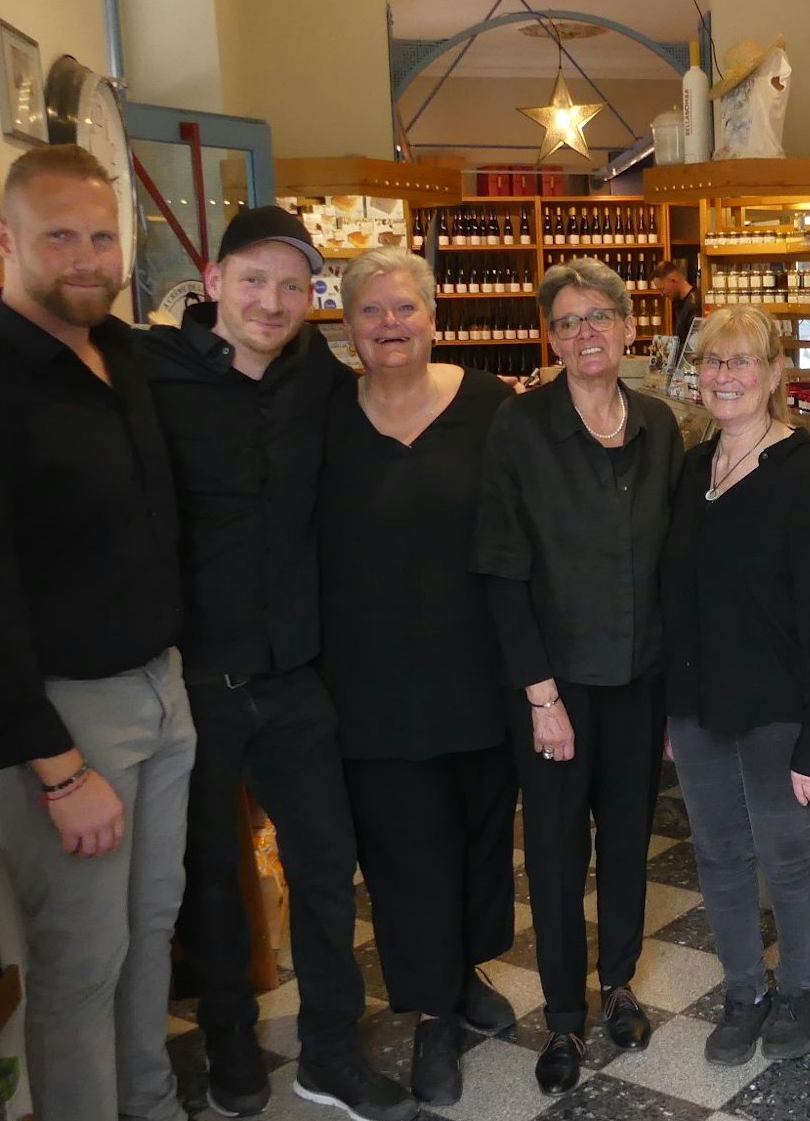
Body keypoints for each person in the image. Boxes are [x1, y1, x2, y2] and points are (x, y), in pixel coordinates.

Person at [0, 144, 195, 1121]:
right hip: (64, 719)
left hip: (159, 686)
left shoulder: (123, 360)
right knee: (80, 964)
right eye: (60, 236)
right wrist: (55, 767)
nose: (87, 257)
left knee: (150, 933)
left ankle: (147, 1104)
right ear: (5, 239)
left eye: (102, 237)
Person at [136, 208, 416, 1121]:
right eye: (253, 280)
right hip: (195, 683)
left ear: (312, 300)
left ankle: (329, 1050)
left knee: (328, 871)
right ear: (213, 282)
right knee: (211, 880)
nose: (272, 300)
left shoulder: (321, 383)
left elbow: (403, 400)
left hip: (297, 679)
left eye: (293, 286)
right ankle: (229, 1049)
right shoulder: (150, 376)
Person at [473, 257, 683, 1095]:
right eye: (567, 322)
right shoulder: (520, 428)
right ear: (550, 338)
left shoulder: (662, 426)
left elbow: (675, 563)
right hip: (557, 688)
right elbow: (501, 571)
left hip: (641, 678)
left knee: (629, 839)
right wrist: (539, 696)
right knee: (558, 853)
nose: (585, 333)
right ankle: (564, 1016)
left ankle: (620, 983)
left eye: (599, 317)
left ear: (631, 328)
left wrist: (677, 688)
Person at [318, 247, 518, 1107]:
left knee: (479, 838)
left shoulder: (491, 408)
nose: (390, 325)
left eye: (405, 308)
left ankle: (466, 972)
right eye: (372, 311)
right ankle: (433, 1014)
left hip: (479, 674)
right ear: (349, 325)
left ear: (433, 316)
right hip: (371, 685)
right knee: (405, 854)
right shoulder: (325, 415)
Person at [660, 305, 810, 1065]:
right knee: (718, 853)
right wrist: (668, 713)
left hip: (777, 712)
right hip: (699, 706)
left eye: (742, 362)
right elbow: (674, 595)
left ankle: (799, 987)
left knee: (788, 856)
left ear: (776, 373)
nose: (725, 376)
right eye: (713, 361)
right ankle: (744, 989)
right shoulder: (691, 468)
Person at [652, 259, 703, 347]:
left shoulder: (694, 305)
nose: (661, 294)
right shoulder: (683, 302)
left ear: (673, 281)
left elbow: (693, 346)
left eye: (662, 289)